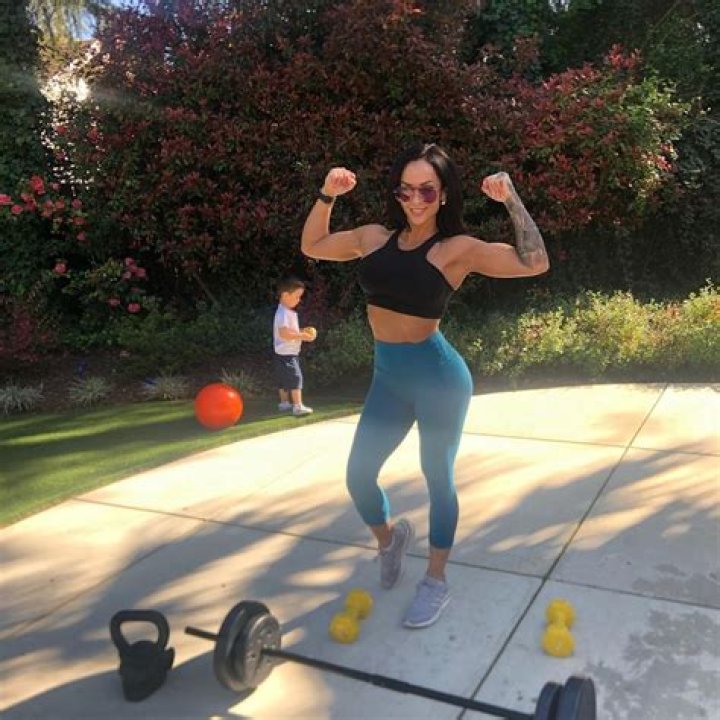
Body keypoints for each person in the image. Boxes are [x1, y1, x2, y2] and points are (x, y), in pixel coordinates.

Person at [301, 142, 549, 628]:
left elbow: (534, 262)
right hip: (389, 379)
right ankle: (390, 540)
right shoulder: (373, 237)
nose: (415, 200)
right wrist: (327, 195)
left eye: (427, 191)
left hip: (439, 379)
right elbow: (313, 245)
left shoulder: (456, 249)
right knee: (358, 476)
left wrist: (511, 199)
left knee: (437, 476)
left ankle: (435, 580)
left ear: (443, 194)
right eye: (406, 190)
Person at [273, 277, 317, 417]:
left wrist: (301, 331)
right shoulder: (284, 313)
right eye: (297, 296)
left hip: (281, 353)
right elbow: (284, 334)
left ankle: (284, 403)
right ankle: (297, 406)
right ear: (285, 295)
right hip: (287, 353)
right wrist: (303, 336)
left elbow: (288, 331)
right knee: (296, 378)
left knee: (283, 379)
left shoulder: (283, 311)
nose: (299, 300)